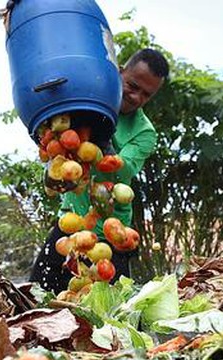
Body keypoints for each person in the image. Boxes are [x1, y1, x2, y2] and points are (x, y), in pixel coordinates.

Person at [29, 48, 170, 294]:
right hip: (70, 226)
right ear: (119, 72)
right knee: (36, 296)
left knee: (108, 317)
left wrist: (101, 144)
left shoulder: (145, 132)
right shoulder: (88, 99)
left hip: (110, 237)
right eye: (132, 86)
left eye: (146, 95)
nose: (136, 97)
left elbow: (122, 173)